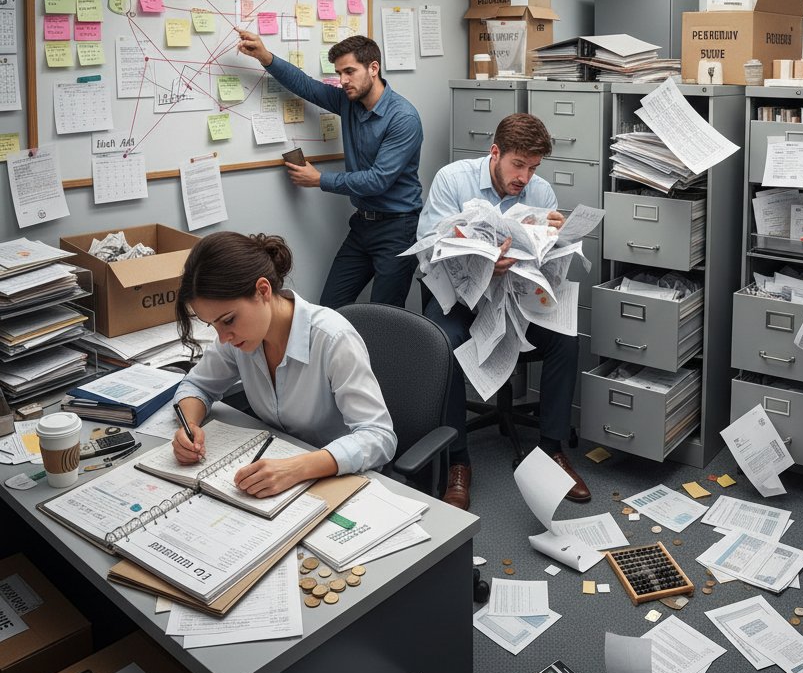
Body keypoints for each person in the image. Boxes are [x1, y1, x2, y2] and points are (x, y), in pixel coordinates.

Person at [417, 113, 590, 510]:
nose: (525, 178)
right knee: (443, 343)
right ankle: (458, 461)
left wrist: (556, 241)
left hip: (514, 298)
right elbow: (427, 245)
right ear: (495, 152)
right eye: (518, 165)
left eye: (533, 168)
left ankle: (551, 449)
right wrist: (481, 262)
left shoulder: (540, 192)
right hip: (461, 299)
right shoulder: (453, 179)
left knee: (566, 338)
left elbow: (544, 261)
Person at [171, 231, 397, 498]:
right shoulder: (239, 339)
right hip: (277, 471)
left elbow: (379, 437)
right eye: (213, 325)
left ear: (263, 291)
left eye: (228, 320)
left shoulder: (333, 338)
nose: (222, 337)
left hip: (342, 479)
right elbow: (197, 385)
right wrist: (190, 426)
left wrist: (297, 468)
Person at [236, 30, 423, 310]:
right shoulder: (349, 102)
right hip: (362, 225)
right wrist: (265, 56)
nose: (343, 81)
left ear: (374, 68)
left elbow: (378, 180)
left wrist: (320, 180)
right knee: (330, 308)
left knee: (386, 317)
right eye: (339, 73)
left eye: (349, 71)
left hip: (398, 227)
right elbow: (306, 86)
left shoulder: (403, 118)